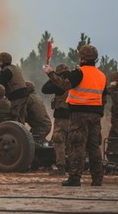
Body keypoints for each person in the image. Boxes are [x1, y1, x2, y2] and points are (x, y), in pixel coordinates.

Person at [44, 44, 108, 187]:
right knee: (93, 147)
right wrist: (99, 112)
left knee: (77, 146)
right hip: (96, 115)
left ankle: (74, 178)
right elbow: (104, 98)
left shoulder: (79, 72)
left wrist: (50, 73)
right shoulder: (102, 76)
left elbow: (64, 84)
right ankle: (97, 179)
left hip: (79, 115)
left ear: (83, 58)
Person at [42, 64, 71, 175]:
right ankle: (70, 165)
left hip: (61, 117)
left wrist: (52, 77)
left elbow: (44, 89)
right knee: (70, 142)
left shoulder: (59, 84)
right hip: (73, 117)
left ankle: (61, 167)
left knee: (58, 141)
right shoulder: (72, 82)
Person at [0, 52, 30, 123]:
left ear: (2, 61)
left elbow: (0, 86)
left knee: (13, 117)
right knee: (21, 119)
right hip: (25, 95)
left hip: (16, 96)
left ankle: (14, 133)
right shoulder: (14, 68)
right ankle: (21, 133)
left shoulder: (5, 71)